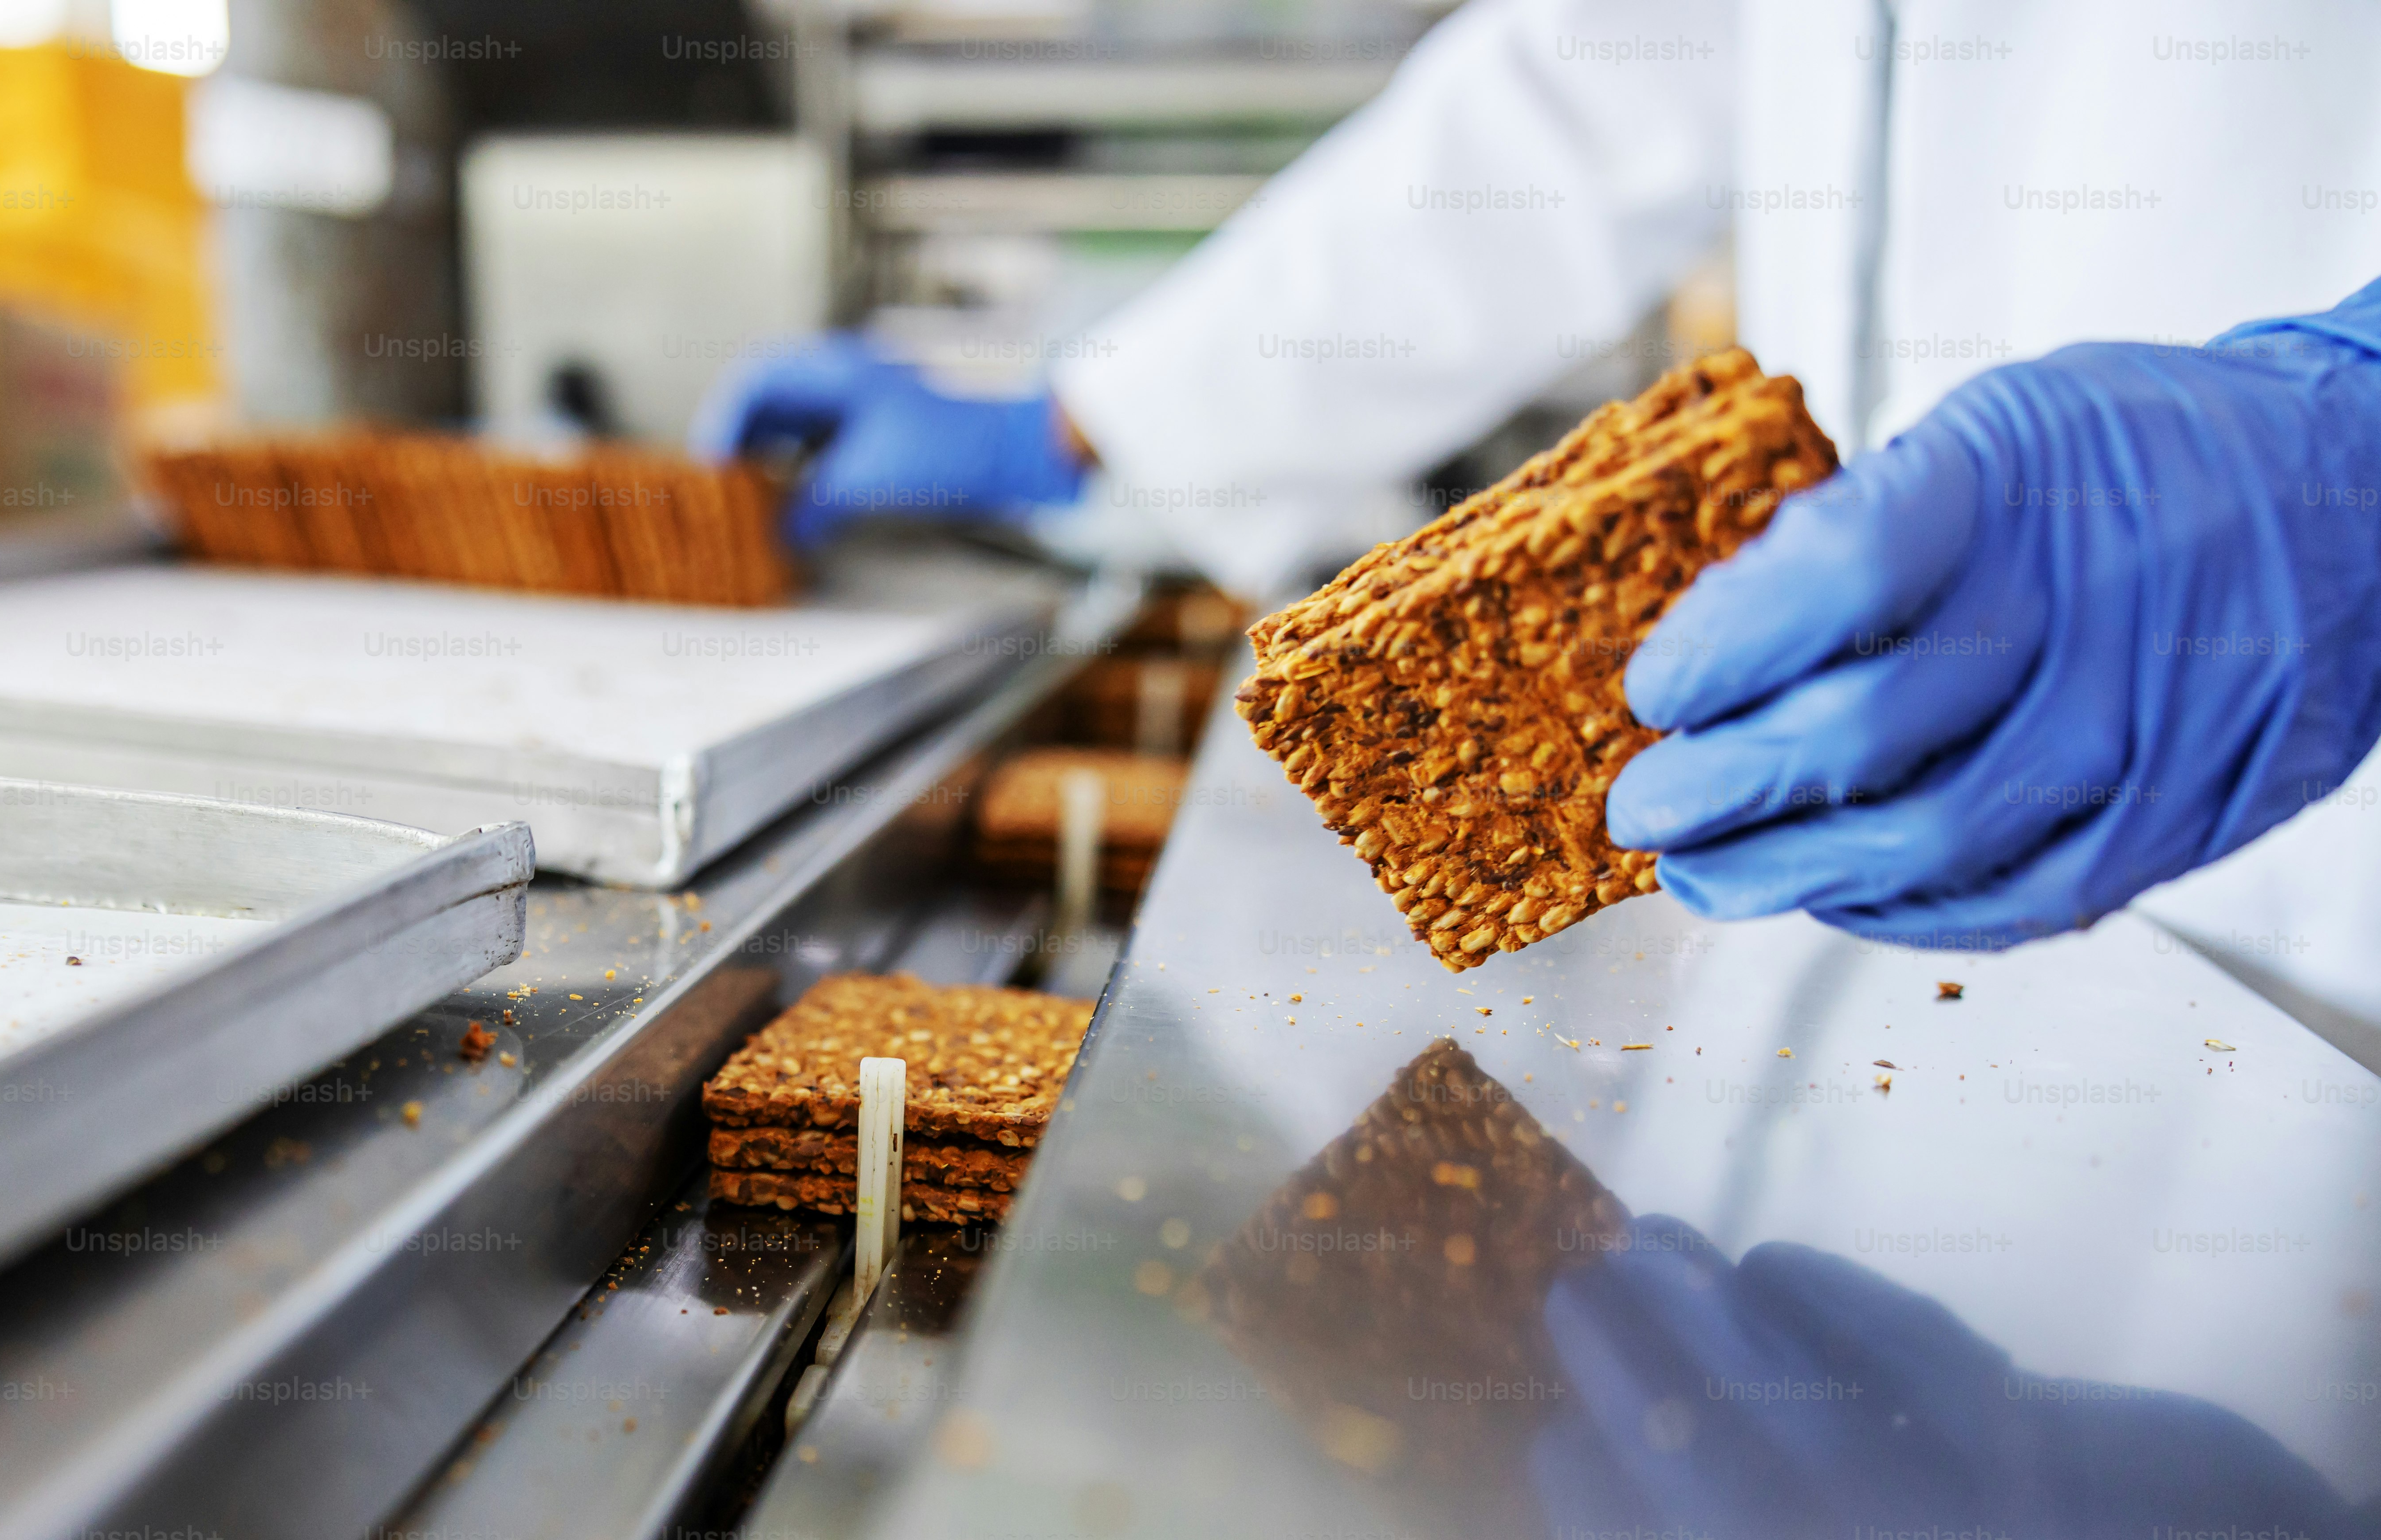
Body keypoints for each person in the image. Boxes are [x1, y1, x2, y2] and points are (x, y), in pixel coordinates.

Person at [698, 1, 2381, 1009]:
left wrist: (2356, 452)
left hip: (2324, 915)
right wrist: (1086, 417)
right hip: (1848, 853)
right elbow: (1607, 73)